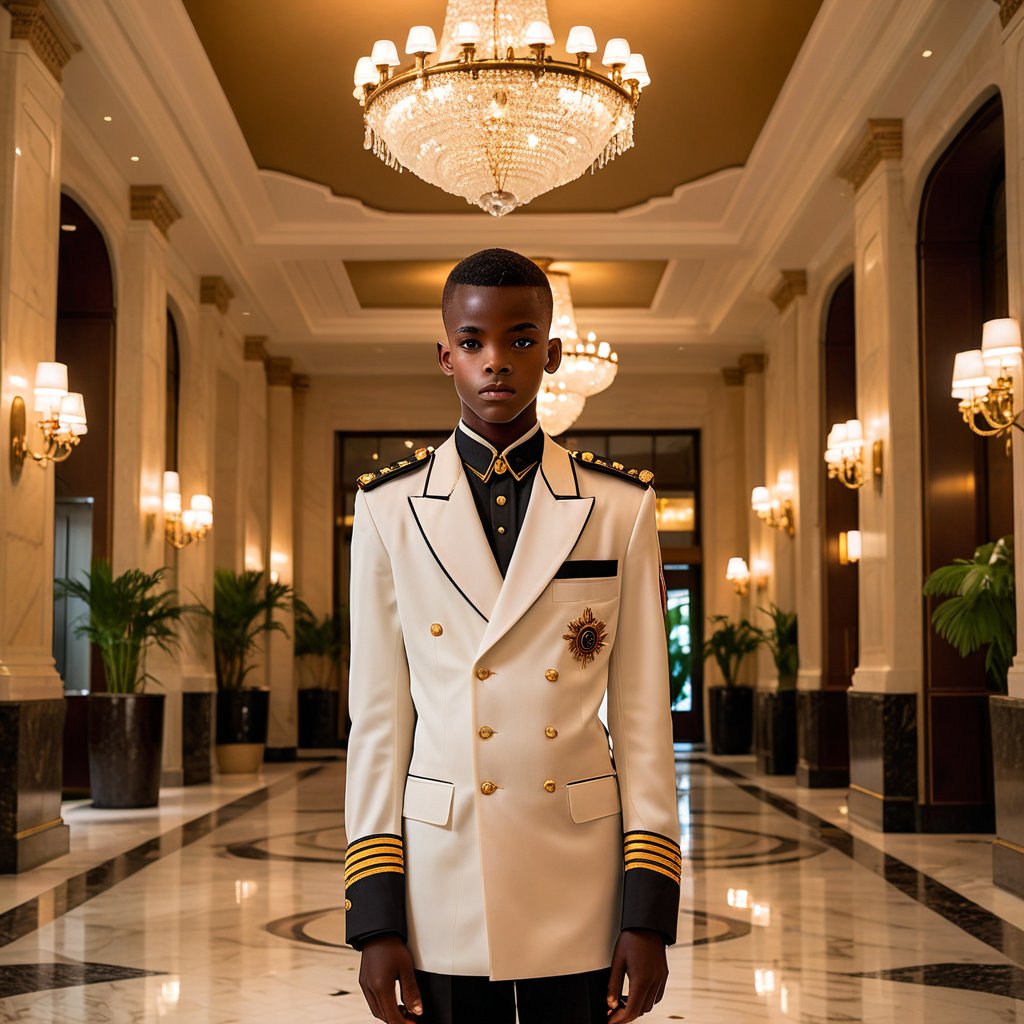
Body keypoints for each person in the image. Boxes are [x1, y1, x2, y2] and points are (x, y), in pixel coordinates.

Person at [344, 248, 680, 1024]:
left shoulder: (618, 506)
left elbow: (642, 721)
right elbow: (379, 725)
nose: (496, 362)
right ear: (445, 356)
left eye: (521, 340)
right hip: (442, 868)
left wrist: (648, 911)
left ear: (554, 354)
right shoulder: (388, 508)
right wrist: (375, 917)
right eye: (473, 342)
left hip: (580, 867)